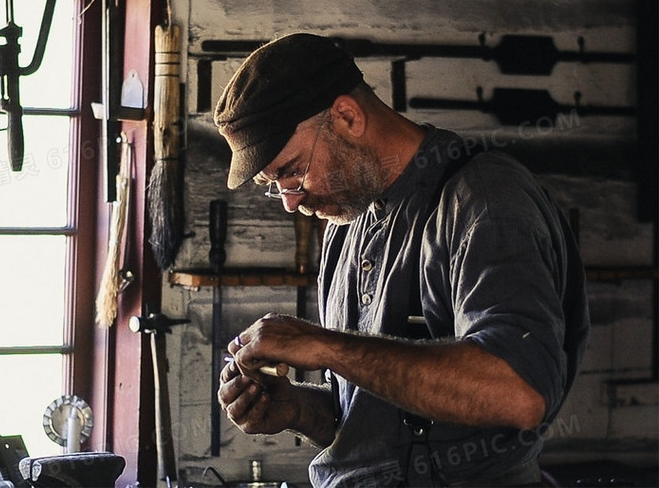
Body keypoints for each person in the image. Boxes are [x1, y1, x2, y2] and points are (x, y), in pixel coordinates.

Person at [213, 33, 590, 487]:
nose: (291, 203)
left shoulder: (484, 200)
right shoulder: (346, 226)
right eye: (276, 185)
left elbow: (519, 393)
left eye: (291, 171)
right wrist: (298, 409)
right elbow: (379, 420)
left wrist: (325, 345)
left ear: (347, 117)